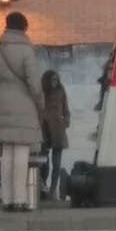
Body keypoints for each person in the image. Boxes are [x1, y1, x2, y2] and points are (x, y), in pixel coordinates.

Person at [0, 11, 44, 212]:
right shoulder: (26, 51)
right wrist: (39, 101)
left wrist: (0, 97)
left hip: (2, 102)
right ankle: (20, 198)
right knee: (21, 150)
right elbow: (34, 83)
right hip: (23, 102)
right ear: (24, 27)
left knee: (6, 153)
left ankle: (6, 198)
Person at [41, 69, 70, 200]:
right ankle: (43, 188)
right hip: (44, 128)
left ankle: (52, 190)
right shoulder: (41, 93)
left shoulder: (61, 91)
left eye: (57, 80)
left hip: (58, 129)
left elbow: (66, 109)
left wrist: (66, 120)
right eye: (53, 80)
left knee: (56, 164)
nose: (55, 82)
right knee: (43, 162)